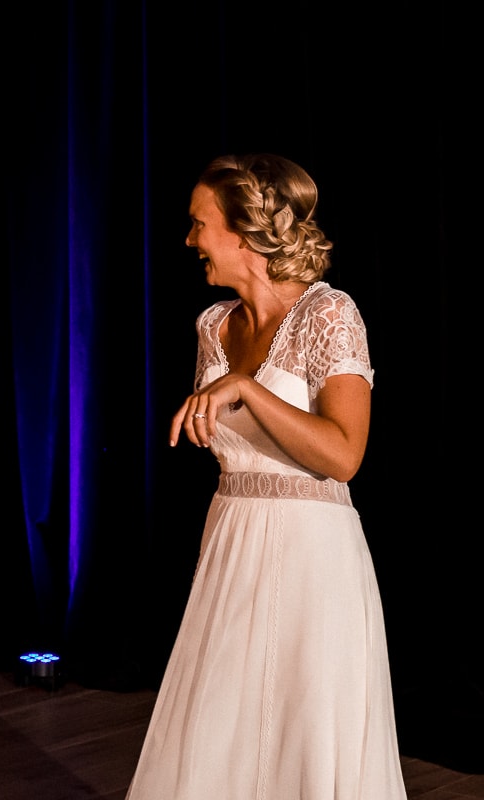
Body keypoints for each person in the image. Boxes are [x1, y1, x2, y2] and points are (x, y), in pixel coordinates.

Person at [126, 154, 407, 798]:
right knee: (222, 730)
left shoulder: (329, 314)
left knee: (305, 731)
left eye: (199, 224)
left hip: (314, 554)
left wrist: (247, 391)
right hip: (231, 541)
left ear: (246, 232)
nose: (189, 239)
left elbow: (343, 455)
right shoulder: (213, 326)